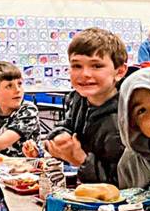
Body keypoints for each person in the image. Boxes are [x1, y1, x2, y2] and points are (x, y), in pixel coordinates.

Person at [40, 27, 128, 185]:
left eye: (96, 66)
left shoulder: (123, 120)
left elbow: (122, 182)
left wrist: (82, 160)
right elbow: (66, 125)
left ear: (119, 71)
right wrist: (60, 137)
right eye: (77, 66)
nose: (85, 74)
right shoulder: (79, 98)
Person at [0, 62, 40, 156]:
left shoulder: (28, 110)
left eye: (19, 84)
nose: (18, 90)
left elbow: (2, 143)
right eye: (9, 86)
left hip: (24, 167)